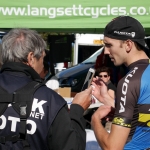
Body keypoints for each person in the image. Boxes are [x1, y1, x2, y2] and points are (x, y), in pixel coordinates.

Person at [0, 28, 93, 150]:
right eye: (42, 58)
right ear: (31, 58)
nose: (43, 65)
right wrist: (77, 110)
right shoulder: (51, 102)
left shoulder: (51, 101)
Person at [91, 16, 150, 150]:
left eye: (109, 45)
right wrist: (108, 100)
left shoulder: (130, 81)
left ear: (128, 44)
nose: (105, 52)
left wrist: (95, 120)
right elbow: (141, 112)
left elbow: (112, 147)